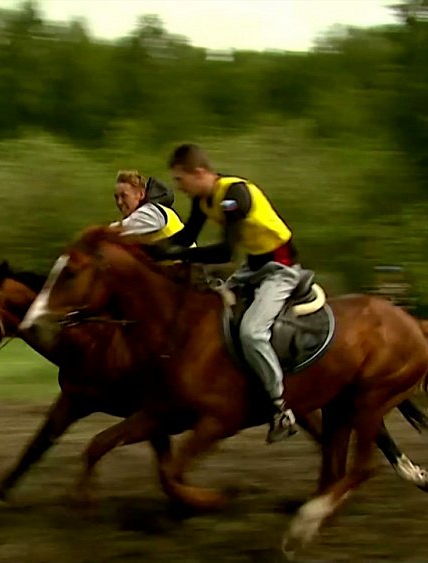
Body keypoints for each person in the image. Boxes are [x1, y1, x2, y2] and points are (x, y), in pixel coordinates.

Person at [151, 143, 304, 444]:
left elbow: (224, 252)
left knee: (251, 332)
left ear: (199, 173)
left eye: (180, 180)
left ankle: (280, 407)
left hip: (281, 268)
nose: (179, 187)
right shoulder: (203, 199)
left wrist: (178, 255)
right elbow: (186, 236)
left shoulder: (235, 195)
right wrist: (148, 251)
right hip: (254, 267)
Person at [110, 169, 187, 245]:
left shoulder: (151, 212)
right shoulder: (150, 211)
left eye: (124, 196)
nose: (119, 202)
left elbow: (115, 231)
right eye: (116, 197)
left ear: (141, 194)